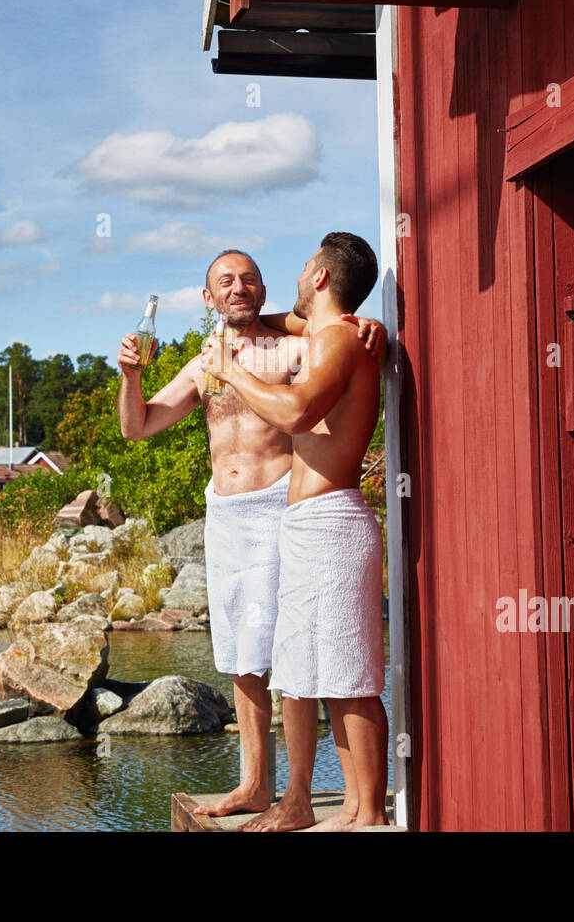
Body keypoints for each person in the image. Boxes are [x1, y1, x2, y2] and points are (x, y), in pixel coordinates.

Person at [117, 248, 384, 818]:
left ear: (264, 292)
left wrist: (367, 321)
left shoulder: (294, 344)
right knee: (243, 654)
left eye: (250, 279)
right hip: (226, 518)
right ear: (206, 296)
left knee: (293, 658)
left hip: (280, 507)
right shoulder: (203, 362)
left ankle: (300, 793)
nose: (238, 287)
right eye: (225, 281)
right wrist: (130, 377)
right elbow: (138, 428)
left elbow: (330, 330)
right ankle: (254, 782)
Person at [199, 232, 386, 831]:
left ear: (323, 278)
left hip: (331, 521)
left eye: (306, 267)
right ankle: (352, 809)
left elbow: (299, 410)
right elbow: (278, 319)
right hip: (305, 522)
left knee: (350, 677)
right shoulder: (329, 334)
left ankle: (372, 816)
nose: (298, 275)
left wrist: (230, 370)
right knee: (317, 673)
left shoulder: (335, 341)